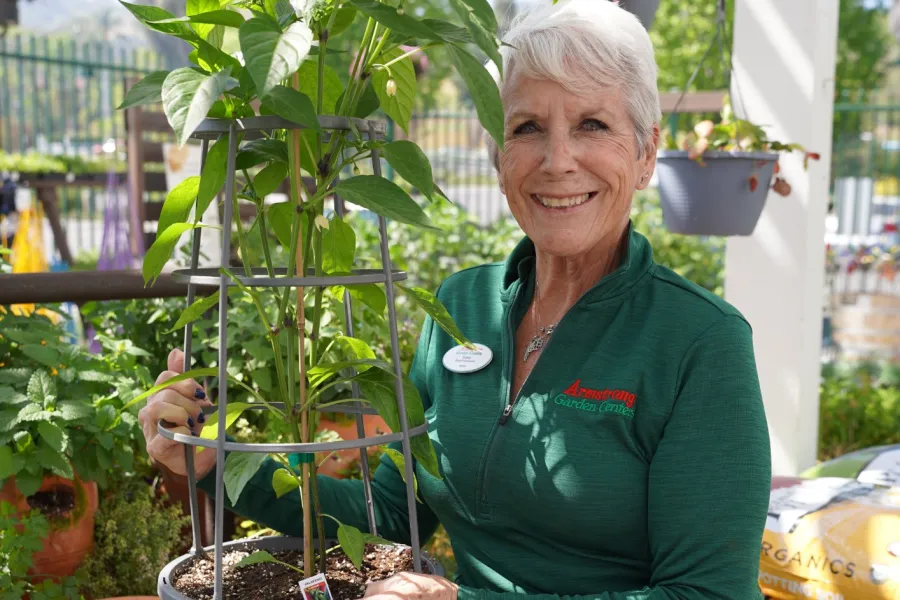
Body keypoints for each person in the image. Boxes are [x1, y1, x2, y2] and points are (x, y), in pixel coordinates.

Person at [138, 0, 772, 598]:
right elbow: (388, 511)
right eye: (526, 127)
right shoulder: (464, 307)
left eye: (593, 124)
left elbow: (708, 592)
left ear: (646, 151)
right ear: (498, 155)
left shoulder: (699, 341)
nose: (557, 160)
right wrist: (211, 466)